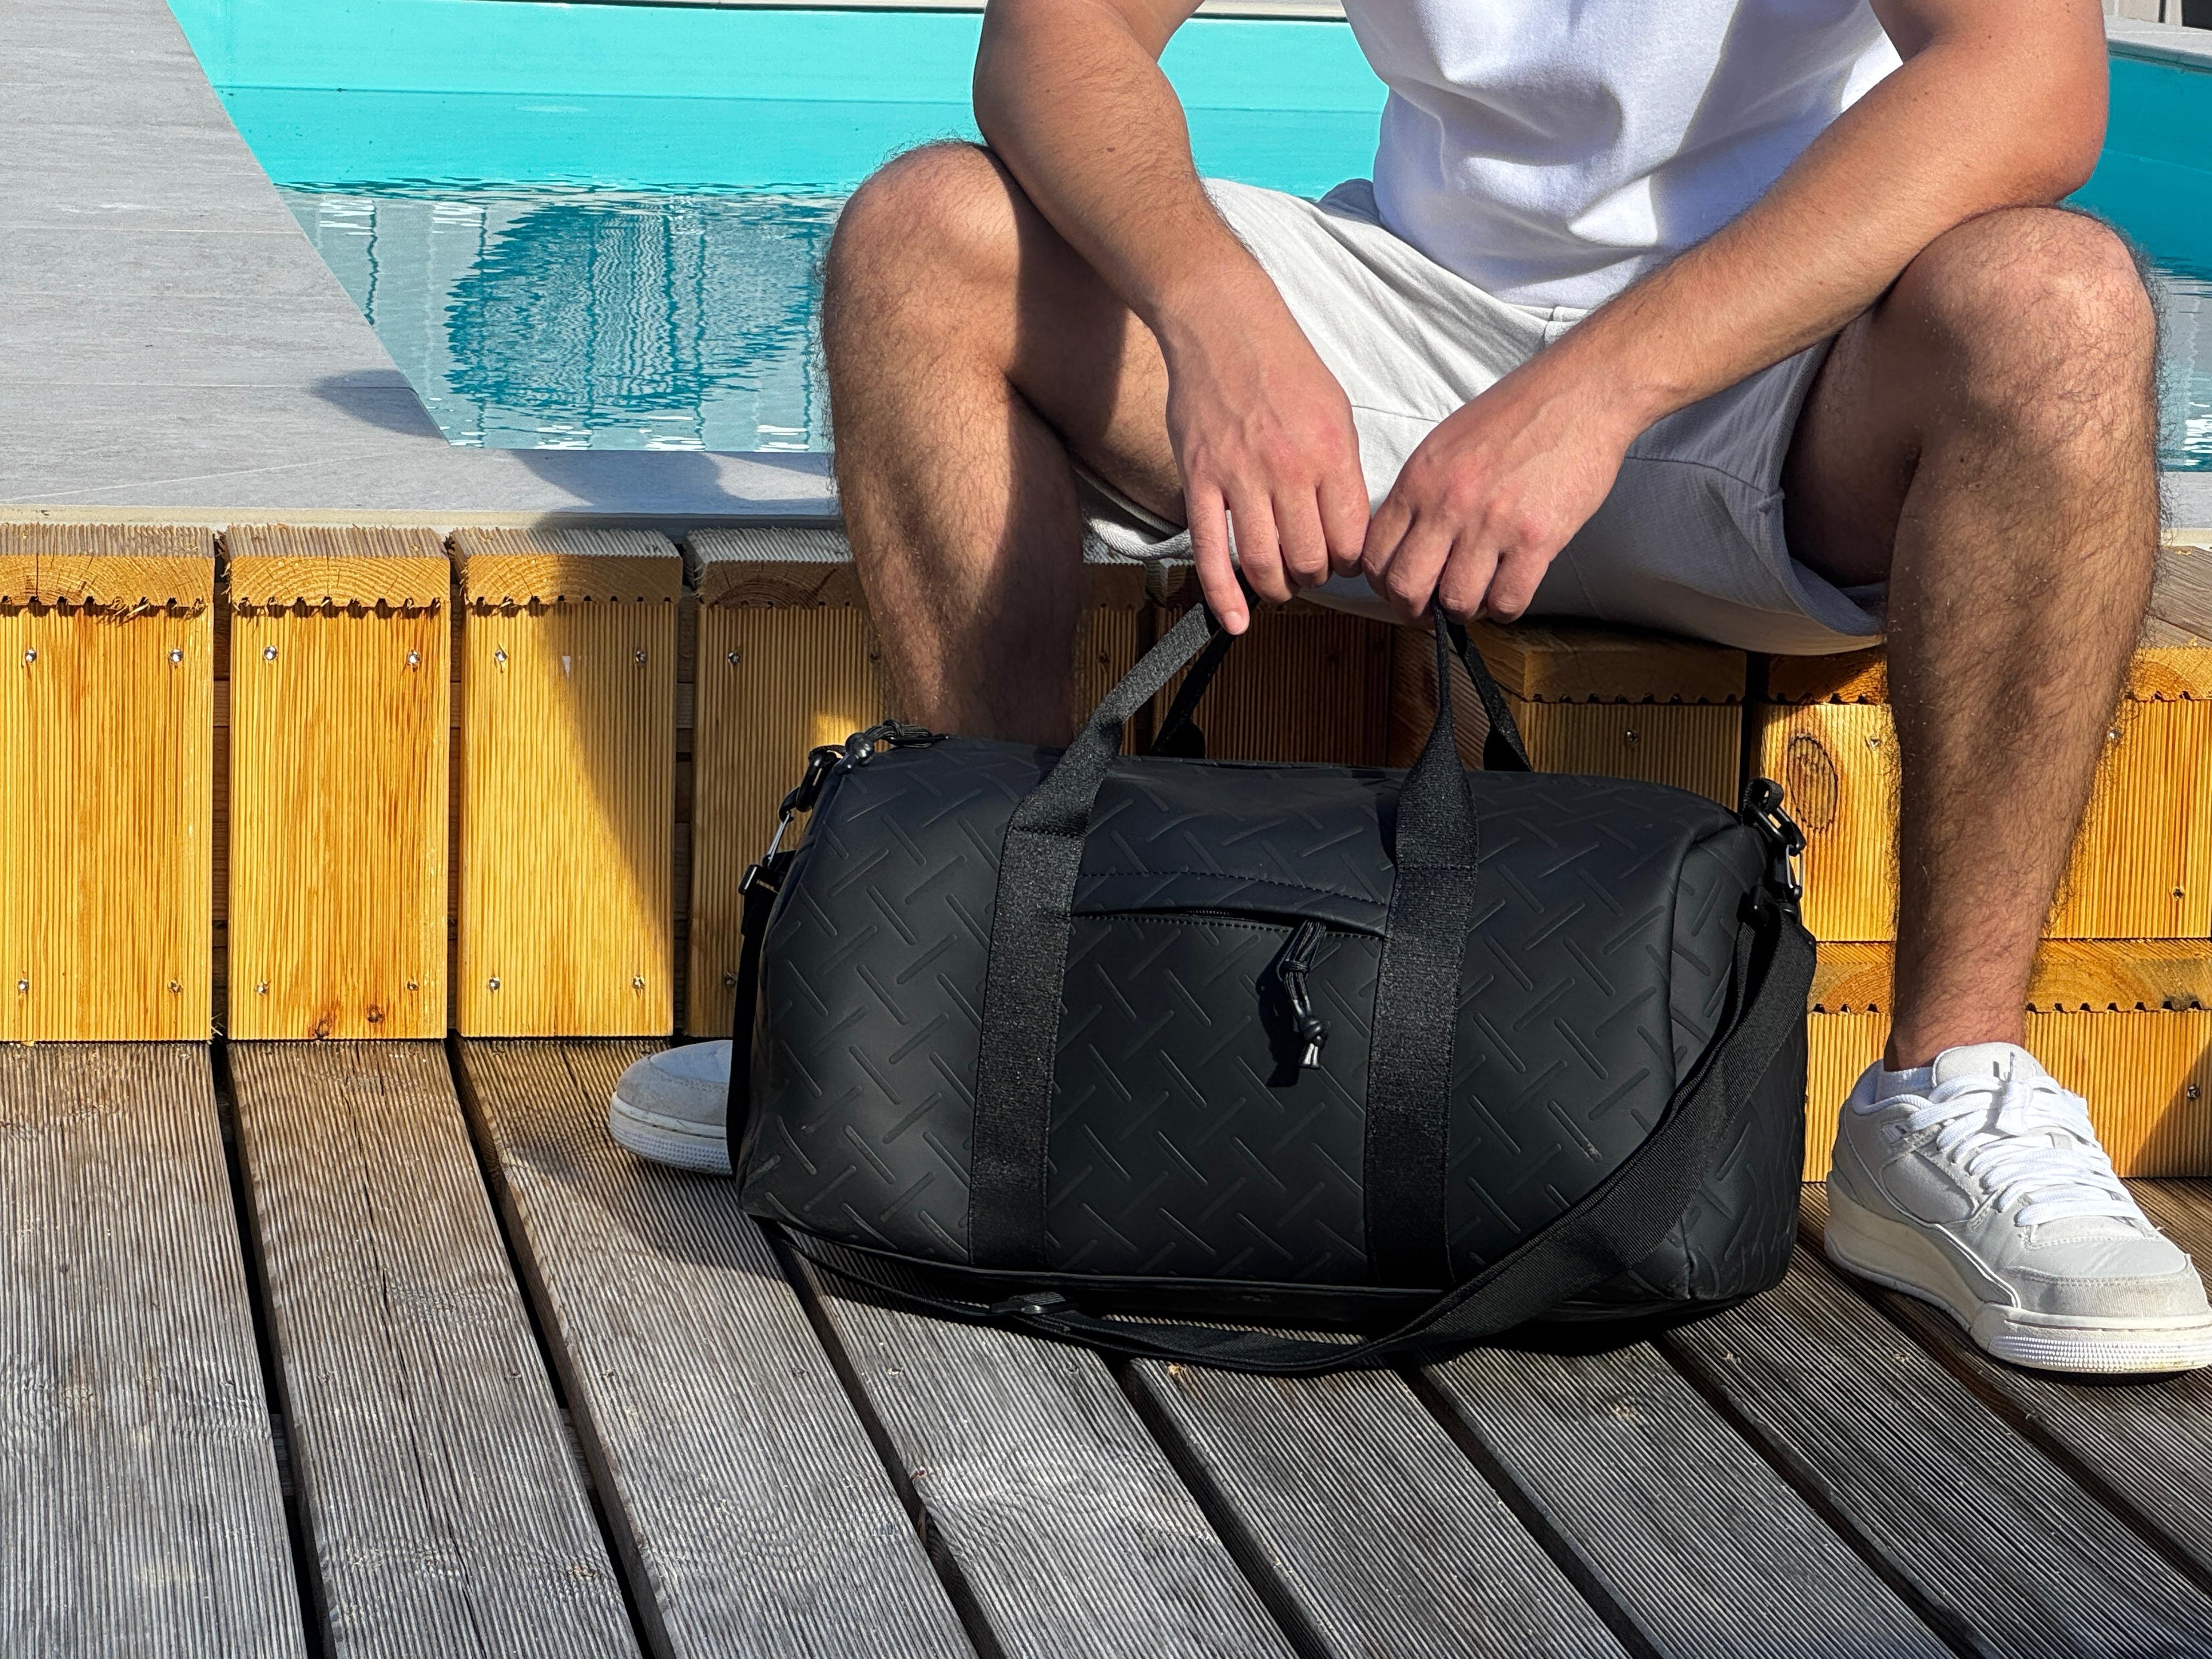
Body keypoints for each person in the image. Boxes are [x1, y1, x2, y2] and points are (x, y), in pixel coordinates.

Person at [609, 0, 2212, 1373]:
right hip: (1404, 338)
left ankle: (1947, 1090)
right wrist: (1218, 316)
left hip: (1779, 362)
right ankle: (977, 986)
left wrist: (1597, 391)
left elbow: (2031, 82)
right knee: (925, 240)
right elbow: (1056, 35)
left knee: (2057, 308)